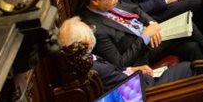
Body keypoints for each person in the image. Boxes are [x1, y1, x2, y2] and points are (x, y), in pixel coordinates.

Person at [79, 0, 203, 67]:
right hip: (142, 52)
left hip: (150, 33)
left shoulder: (108, 1)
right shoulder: (96, 30)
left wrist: (151, 23)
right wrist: (145, 37)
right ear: (95, 2)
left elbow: (135, 8)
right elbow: (120, 63)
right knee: (190, 26)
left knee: (191, 47)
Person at [58, 17, 194, 89]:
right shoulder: (95, 68)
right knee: (188, 67)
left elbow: (116, 72)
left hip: (132, 79)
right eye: (90, 32)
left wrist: (132, 69)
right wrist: (145, 75)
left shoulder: (85, 58)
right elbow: (136, 89)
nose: (93, 34)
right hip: (147, 91)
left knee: (187, 47)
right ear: (86, 42)